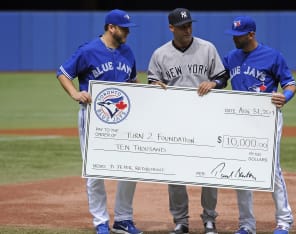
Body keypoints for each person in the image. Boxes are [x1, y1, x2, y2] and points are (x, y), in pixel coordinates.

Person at [56, 9, 142, 234]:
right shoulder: (89, 50)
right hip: (93, 117)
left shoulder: (127, 51)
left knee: (130, 167)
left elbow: (132, 80)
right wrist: (75, 93)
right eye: (124, 29)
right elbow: (63, 73)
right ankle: (100, 222)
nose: (127, 33)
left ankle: (123, 219)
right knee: (95, 171)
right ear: (111, 28)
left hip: (124, 119)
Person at [147, 8, 229, 234]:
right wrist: (155, 86)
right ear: (171, 28)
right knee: (175, 173)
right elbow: (153, 81)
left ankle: (209, 219)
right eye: (183, 26)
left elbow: (222, 77)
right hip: (174, 122)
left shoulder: (207, 48)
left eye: (190, 24)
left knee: (210, 171)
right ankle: (181, 221)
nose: (188, 29)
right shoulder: (160, 54)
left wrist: (214, 84)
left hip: (206, 120)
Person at [222, 15, 296, 234]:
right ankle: (247, 224)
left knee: (271, 168)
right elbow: (220, 79)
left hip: (267, 120)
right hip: (239, 120)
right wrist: (213, 83)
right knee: (240, 170)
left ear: (251, 34)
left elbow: (290, 83)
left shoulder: (273, 56)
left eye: (239, 35)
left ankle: (284, 220)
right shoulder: (231, 57)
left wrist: (286, 96)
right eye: (233, 35)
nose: (235, 39)